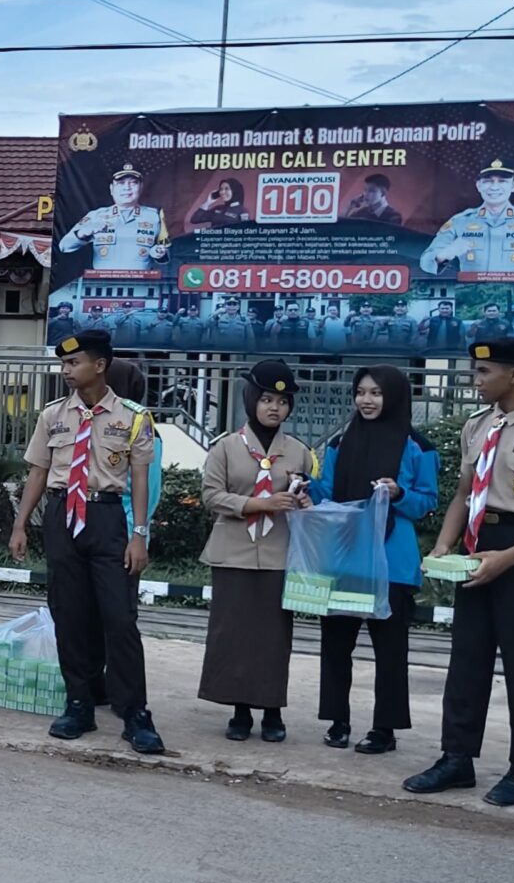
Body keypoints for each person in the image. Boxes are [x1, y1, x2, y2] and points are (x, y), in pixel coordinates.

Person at [405, 337, 514, 807]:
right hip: (476, 544)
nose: (476, 380)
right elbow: (465, 494)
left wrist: (507, 558)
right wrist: (445, 545)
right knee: (468, 657)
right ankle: (457, 758)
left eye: (485, 373)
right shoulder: (477, 426)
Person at [9, 328, 164, 755]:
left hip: (107, 516)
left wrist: (139, 535)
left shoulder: (133, 417)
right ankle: (79, 703)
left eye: (74, 363)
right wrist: (21, 524)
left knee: (119, 618)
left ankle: (135, 713)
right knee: (70, 614)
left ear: (100, 366)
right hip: (62, 516)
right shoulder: (52, 416)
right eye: (63, 364)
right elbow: (38, 472)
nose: (66, 371)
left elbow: (139, 481)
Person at [308, 365, 439, 753]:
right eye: (361, 392)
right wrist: (305, 487)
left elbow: (427, 503)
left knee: (391, 650)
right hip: (345, 556)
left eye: (376, 393)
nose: (366, 400)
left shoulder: (418, 447)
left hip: (392, 563)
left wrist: (400, 494)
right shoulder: (339, 444)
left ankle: (385, 728)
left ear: (394, 396)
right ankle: (338, 720)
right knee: (335, 644)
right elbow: (329, 495)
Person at [198, 360, 315, 742]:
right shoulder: (227, 448)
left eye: (282, 401)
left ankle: (272, 710)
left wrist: (304, 502)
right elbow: (211, 496)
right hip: (233, 552)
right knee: (233, 634)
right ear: (251, 401)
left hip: (279, 554)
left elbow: (305, 497)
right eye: (266, 399)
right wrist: (257, 504)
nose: (274, 408)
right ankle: (239, 710)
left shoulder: (298, 452)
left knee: (273, 637)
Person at [418, 159, 514, 283]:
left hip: (512, 297)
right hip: (470, 298)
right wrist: (445, 254)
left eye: (502, 181)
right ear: (479, 186)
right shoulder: (460, 221)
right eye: (488, 181)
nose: (494, 187)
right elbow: (425, 263)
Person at [59, 163, 171, 275]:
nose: (127, 188)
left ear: (141, 187)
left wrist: (159, 253)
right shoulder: (96, 216)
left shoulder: (154, 216)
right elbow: (64, 246)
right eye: (121, 183)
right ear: (111, 188)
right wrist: (82, 233)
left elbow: (165, 255)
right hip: (103, 284)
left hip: (140, 284)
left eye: (133, 183)